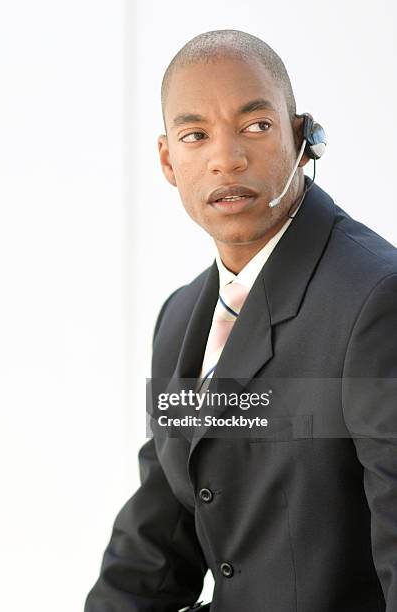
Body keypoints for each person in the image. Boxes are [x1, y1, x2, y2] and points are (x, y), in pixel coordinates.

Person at [85, 30, 397, 611]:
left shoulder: (377, 300)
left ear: (305, 138)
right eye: (195, 135)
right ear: (168, 160)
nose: (226, 158)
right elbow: (154, 546)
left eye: (256, 126)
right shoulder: (180, 319)